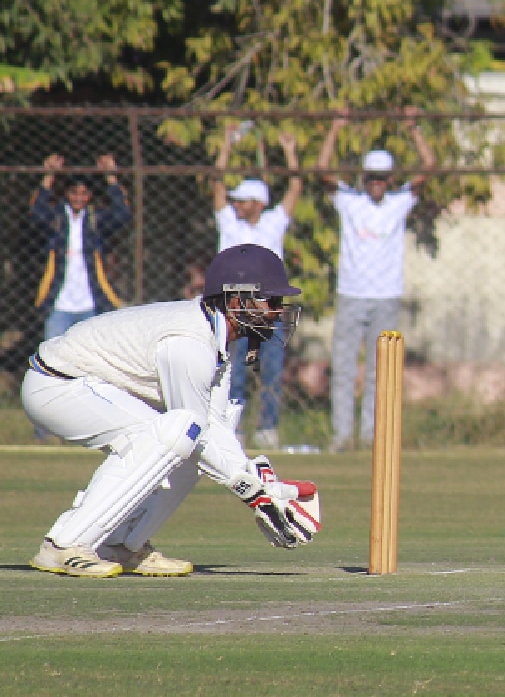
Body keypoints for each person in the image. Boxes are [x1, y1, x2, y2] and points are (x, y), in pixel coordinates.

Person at [22, 244, 320, 578]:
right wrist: (253, 494)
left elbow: (214, 428)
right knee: (179, 436)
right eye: (272, 301)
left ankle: (123, 544)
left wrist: (262, 487)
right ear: (238, 301)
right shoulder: (189, 344)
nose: (278, 312)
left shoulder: (213, 338)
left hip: (83, 386)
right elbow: (192, 427)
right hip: (56, 384)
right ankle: (65, 544)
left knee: (189, 444)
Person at [317, 109, 435, 450]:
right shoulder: (350, 202)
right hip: (351, 294)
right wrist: (335, 128)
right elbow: (323, 170)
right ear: (364, 178)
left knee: (379, 372)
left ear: (390, 179)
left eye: (382, 178)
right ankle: (341, 436)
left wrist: (414, 130)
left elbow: (429, 167)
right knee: (343, 368)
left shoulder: (398, 203)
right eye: (372, 177)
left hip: (386, 295)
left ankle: (371, 436)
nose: (377, 183)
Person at [213, 124, 303, 449]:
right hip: (236, 306)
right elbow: (217, 185)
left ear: (257, 203)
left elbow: (295, 187)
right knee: (233, 372)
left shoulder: (273, 223)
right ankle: (232, 428)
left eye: (243, 201)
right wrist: (226, 146)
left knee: (271, 371)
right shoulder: (230, 224)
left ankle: (268, 429)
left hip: (268, 307)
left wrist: (290, 153)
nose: (236, 204)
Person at [31, 154, 131, 338]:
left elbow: (122, 215)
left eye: (84, 194)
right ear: (67, 193)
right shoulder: (58, 217)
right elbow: (37, 214)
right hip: (59, 303)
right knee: (53, 358)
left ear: (90, 195)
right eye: (74, 193)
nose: (79, 198)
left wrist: (111, 177)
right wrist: (49, 176)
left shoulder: (94, 218)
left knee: (88, 360)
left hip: (90, 304)